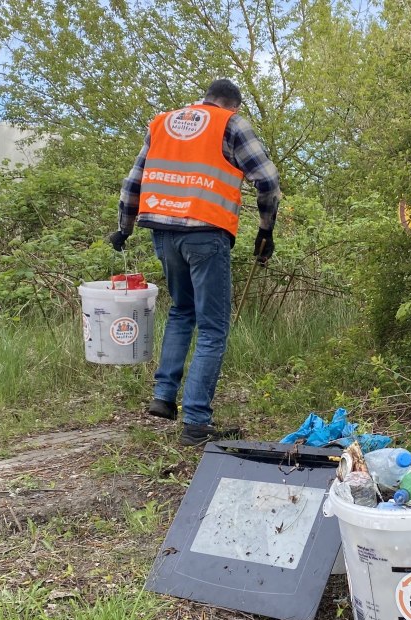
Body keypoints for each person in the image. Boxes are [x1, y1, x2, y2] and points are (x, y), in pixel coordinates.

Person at [106, 79, 280, 446]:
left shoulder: (163, 122)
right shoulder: (230, 124)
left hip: (163, 234)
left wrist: (123, 229)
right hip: (206, 234)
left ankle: (164, 398)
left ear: (206, 99)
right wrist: (265, 231)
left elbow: (132, 183)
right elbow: (267, 180)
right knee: (213, 327)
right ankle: (197, 421)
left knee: (183, 311)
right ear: (233, 105)